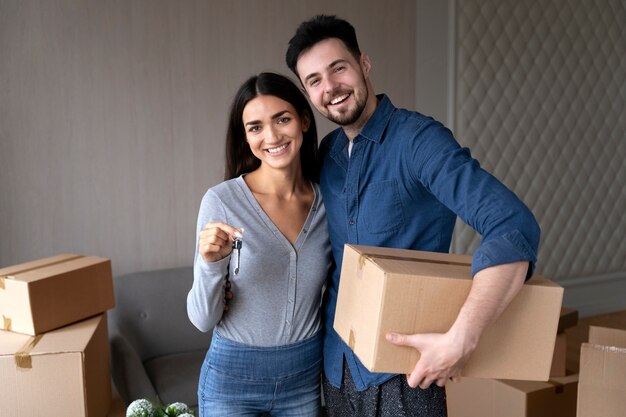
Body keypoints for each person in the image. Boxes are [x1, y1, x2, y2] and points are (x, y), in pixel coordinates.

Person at [285, 15, 541, 416]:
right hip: (335, 368)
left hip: (402, 376)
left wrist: (461, 340)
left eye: (339, 68)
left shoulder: (419, 140)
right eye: (314, 80)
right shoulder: (326, 155)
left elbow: (513, 225)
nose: (330, 87)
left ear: (363, 64)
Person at [187, 72, 333, 417]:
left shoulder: (329, 202)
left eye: (282, 119)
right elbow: (202, 320)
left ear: (305, 121)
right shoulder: (222, 201)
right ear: (246, 137)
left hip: (304, 378)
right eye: (255, 127)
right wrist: (209, 265)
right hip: (231, 380)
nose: (271, 136)